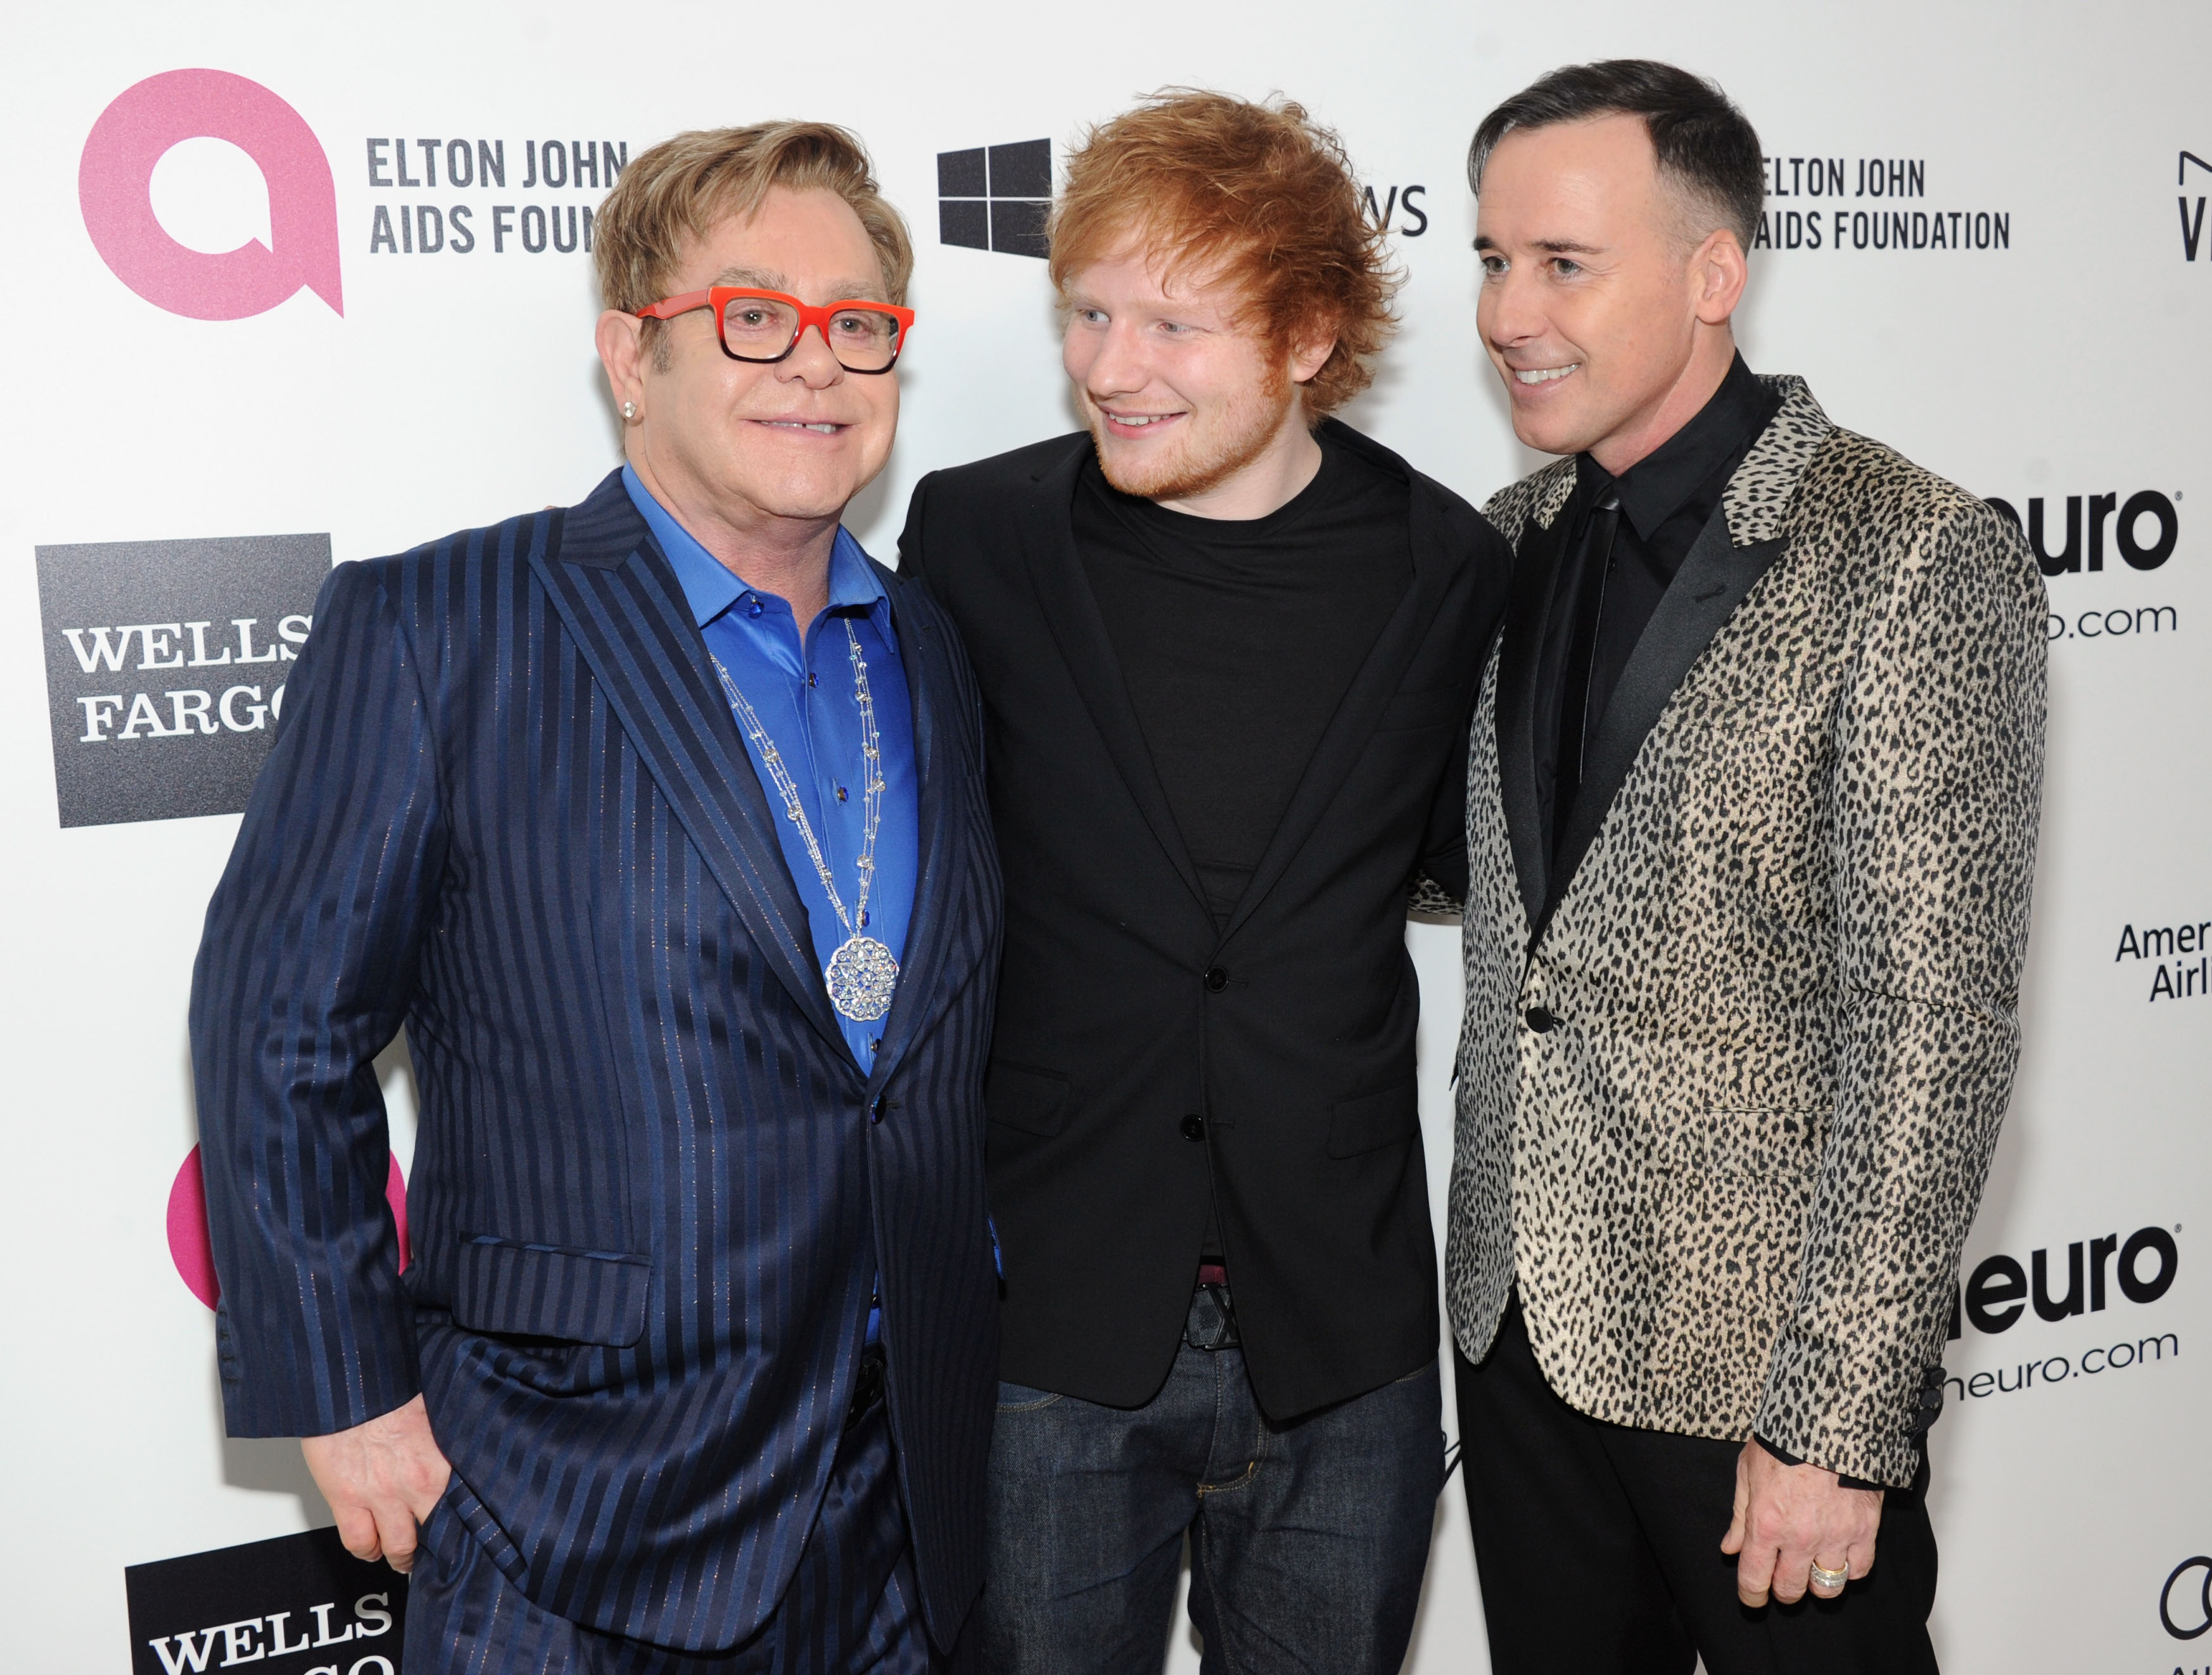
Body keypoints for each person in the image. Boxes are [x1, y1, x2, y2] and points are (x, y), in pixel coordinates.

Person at [190, 122, 1003, 1674]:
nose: (812, 368)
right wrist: (349, 1389)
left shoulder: (936, 650)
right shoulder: (439, 624)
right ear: (634, 358)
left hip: (901, 1511)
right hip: (574, 1499)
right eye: (753, 318)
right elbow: (278, 1031)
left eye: (859, 327)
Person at [1437, 59, 2046, 1674]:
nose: (1510, 311)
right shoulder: (1500, 542)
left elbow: (1935, 1028)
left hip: (1764, 1380)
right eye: (1493, 260)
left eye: (1565, 264)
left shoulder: (1910, 550)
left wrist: (1839, 1420)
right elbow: (1472, 876)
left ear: (1717, 274)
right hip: (1517, 1340)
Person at [899, 91, 1512, 1675]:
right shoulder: (974, 538)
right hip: (1054, 1321)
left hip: (1346, 1326)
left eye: (1174, 320)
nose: (1112, 364)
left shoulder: (1451, 567)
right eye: (1090, 311)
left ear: (1310, 333)